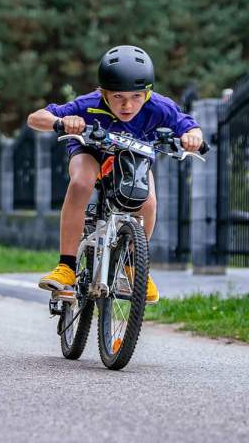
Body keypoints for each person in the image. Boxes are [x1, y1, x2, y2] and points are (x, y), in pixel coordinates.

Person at [27, 44, 203, 303]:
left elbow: (192, 127)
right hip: (91, 152)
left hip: (133, 159)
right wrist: (62, 122)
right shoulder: (88, 104)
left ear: (147, 93)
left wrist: (192, 138)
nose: (128, 105)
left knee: (149, 202)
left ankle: (134, 265)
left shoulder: (160, 107)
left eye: (136, 97)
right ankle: (67, 266)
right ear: (104, 93)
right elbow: (35, 118)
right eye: (118, 97)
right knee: (81, 183)